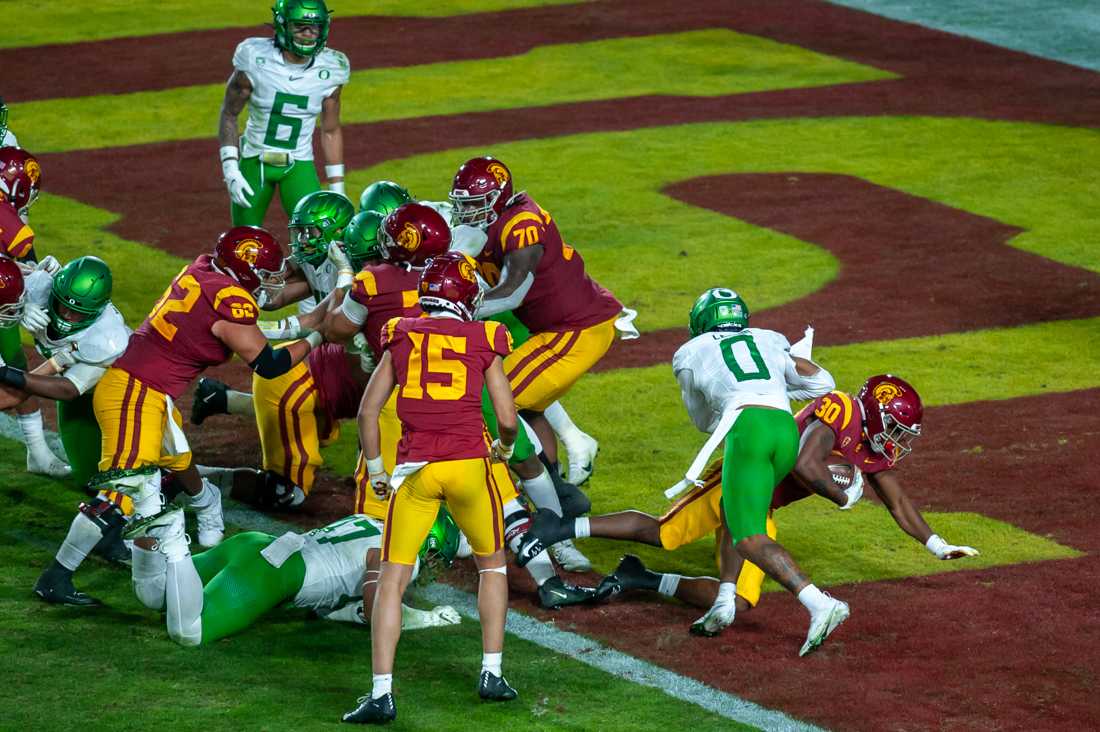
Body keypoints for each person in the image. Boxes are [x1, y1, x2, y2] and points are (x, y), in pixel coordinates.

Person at [522, 373, 980, 636]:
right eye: (898, 431)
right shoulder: (841, 408)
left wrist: (938, 545)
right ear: (878, 415)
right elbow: (804, 463)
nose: (898, 443)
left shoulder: (869, 443)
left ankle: (639, 577)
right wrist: (841, 494)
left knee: (740, 601)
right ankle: (561, 527)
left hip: (762, 509)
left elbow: (896, 500)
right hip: (741, 480)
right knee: (664, 532)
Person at [322, 204, 599, 597]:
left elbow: (335, 329)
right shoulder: (456, 272)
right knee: (509, 482)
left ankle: (373, 600)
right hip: (470, 397)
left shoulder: (375, 282)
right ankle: (553, 559)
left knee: (381, 516)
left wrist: (347, 279)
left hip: (408, 406)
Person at [56, 227, 321, 605]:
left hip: (149, 392)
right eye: (264, 272)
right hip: (135, 393)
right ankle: (58, 576)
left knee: (179, 462)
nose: (270, 280)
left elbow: (251, 324)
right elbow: (270, 363)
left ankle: (205, 505)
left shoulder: (203, 271)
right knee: (122, 492)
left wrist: (312, 316)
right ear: (243, 271)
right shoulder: (229, 299)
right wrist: (318, 336)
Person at [343, 251, 520, 724]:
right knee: (492, 567)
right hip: (467, 466)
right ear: (465, 296)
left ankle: (381, 693)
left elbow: (366, 412)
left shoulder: (400, 332)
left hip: (415, 471)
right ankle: (492, 672)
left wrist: (377, 471)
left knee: (392, 579)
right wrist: (503, 449)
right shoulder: (484, 334)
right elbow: (506, 417)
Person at [449, 156, 628, 490]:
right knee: (523, 406)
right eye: (462, 204)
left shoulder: (522, 225)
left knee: (487, 399)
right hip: (554, 328)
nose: (467, 212)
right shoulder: (492, 220)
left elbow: (513, 292)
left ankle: (534, 495)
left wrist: (456, 308)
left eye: (475, 204)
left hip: (575, 330)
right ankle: (554, 486)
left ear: (498, 198)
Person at [190, 191, 357, 508]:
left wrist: (255, 329)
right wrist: (257, 279)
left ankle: (221, 398)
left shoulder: (354, 271)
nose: (302, 240)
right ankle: (200, 478)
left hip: (342, 352)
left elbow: (319, 316)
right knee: (324, 409)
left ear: (336, 231)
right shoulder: (322, 261)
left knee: (345, 408)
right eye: (302, 231)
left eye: (311, 232)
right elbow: (276, 298)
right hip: (330, 358)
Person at [0, 256, 135, 605]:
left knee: (133, 474)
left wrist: (11, 377)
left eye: (78, 313)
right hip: (74, 386)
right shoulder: (42, 288)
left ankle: (198, 505)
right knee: (88, 479)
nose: (67, 316)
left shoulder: (106, 337)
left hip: (117, 393)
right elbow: (9, 276)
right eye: (62, 305)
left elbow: (67, 388)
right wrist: (20, 295)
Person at [123, 508, 461, 647]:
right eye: (435, 556)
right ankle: (172, 539)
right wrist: (423, 619)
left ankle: (148, 522)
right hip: (272, 574)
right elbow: (376, 611)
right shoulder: (403, 554)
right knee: (188, 632)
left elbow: (340, 604)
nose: (433, 566)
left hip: (254, 545)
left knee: (157, 595)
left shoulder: (370, 519)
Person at [218, 0, 349, 227]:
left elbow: (330, 129)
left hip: (299, 162)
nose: (308, 34)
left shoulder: (332, 67)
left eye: (315, 27)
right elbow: (229, 113)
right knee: (244, 243)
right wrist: (230, 167)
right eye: (300, 26)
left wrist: (338, 187)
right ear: (282, 25)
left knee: (317, 240)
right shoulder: (254, 58)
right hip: (254, 161)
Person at [0, 146, 70, 477]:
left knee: (12, 365)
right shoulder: (7, 218)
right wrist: (56, 365)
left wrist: (26, 273)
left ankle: (38, 454)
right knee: (9, 383)